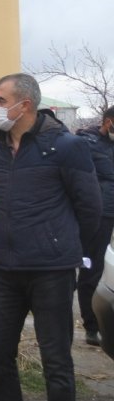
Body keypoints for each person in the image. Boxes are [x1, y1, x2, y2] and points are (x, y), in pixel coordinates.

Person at [0, 74, 100, 401]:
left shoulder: (67, 147)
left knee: (56, 363)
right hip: (5, 269)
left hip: (51, 271)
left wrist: (62, 247)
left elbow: (90, 209)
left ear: (23, 105)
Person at [75, 107, 114, 347]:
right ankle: (92, 327)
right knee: (91, 268)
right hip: (99, 215)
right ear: (108, 122)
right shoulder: (85, 143)